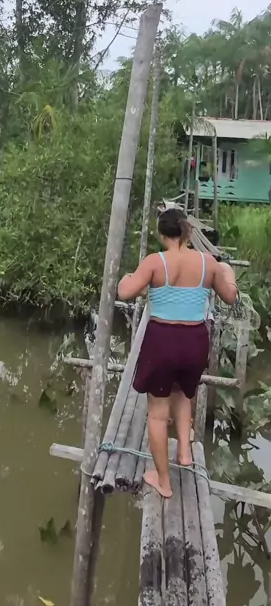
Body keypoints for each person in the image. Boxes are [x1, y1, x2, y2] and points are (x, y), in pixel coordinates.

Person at [118, 209, 237, 498]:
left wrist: (126, 278)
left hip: (162, 341)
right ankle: (184, 451)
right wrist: (229, 275)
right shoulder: (208, 263)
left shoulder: (155, 262)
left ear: (161, 234)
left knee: (158, 415)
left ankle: (163, 481)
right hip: (195, 341)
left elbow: (126, 292)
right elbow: (230, 296)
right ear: (188, 232)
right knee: (184, 394)